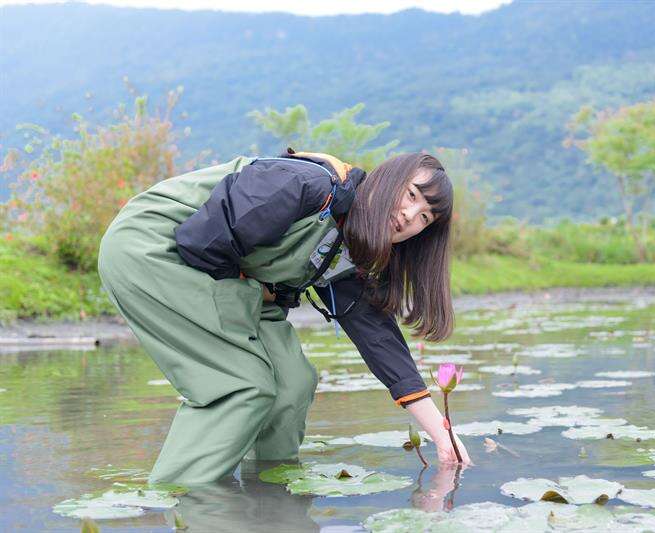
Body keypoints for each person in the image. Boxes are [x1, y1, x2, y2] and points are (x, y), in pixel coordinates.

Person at [97, 149, 472, 484]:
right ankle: (185, 502)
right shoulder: (306, 184)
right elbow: (202, 242)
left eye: (424, 218)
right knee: (242, 386)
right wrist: (254, 289)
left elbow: (381, 343)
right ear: (388, 179)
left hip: (221, 273)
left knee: (292, 382)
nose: (409, 216)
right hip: (153, 250)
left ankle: (271, 498)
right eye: (411, 196)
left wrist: (443, 435)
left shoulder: (349, 248)